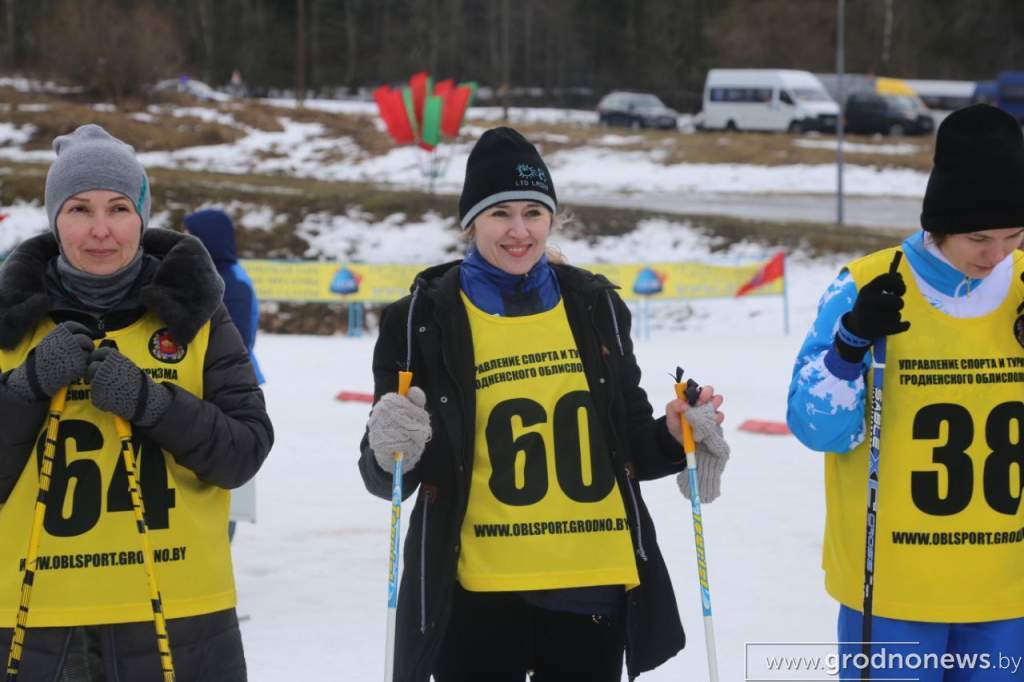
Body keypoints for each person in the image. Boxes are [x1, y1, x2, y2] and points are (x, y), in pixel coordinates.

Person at [358, 126, 730, 681]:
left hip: (592, 584)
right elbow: (385, 474)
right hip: (478, 590)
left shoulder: (593, 306)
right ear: (470, 222)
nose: (518, 231)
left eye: (533, 212)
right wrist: (391, 444)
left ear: (552, 219)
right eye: (499, 213)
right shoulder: (421, 319)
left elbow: (626, 444)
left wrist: (674, 434)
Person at [0, 124, 273, 681]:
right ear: (55, 219)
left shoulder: (197, 315)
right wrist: (25, 389)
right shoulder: (11, 322)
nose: (101, 230)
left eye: (119, 208)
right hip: (38, 618)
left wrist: (155, 404)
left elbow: (243, 451)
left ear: (142, 215)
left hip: (180, 612)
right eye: (79, 209)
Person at [787, 104, 1024, 680]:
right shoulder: (870, 284)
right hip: (895, 589)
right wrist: (849, 347)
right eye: (979, 238)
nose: (996, 255)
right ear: (939, 224)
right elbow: (815, 426)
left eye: (1014, 235)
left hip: (1006, 588)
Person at [183, 208, 265, 541]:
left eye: (191, 234)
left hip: (226, 385)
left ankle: (218, 543)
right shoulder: (202, 273)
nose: (184, 240)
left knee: (222, 464)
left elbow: (236, 341)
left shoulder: (231, 282)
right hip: (198, 382)